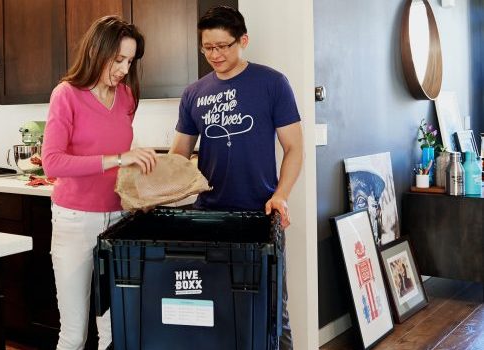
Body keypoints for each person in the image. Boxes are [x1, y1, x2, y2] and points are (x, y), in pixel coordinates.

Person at [168, 6, 303, 350]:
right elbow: (178, 156)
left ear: (243, 41)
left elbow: (294, 149)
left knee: (272, 310)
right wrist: (151, 187)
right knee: (212, 308)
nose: (215, 55)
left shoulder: (272, 83)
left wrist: (281, 194)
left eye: (223, 46)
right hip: (208, 215)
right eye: (208, 48)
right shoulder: (193, 93)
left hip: (261, 215)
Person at [42, 15, 157, 350]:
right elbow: (52, 163)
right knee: (74, 334)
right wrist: (120, 158)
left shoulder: (127, 97)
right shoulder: (67, 94)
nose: (124, 68)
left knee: (114, 331)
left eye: (130, 61)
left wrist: (139, 177)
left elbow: (120, 161)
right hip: (75, 221)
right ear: (96, 51)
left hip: (117, 222)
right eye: (118, 59)